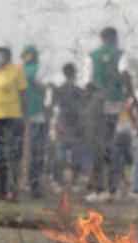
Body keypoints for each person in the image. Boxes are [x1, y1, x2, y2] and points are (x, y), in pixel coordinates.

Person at [84, 26, 134, 202]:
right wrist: (131, 95)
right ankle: (111, 189)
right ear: (114, 38)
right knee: (111, 146)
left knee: (99, 146)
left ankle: (99, 189)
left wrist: (89, 105)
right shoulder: (121, 54)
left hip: (97, 103)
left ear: (101, 38)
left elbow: (88, 83)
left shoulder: (92, 55)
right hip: (114, 103)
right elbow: (125, 74)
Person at [0, 40, 27, 202]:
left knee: (12, 154)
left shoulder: (16, 71)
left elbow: (23, 94)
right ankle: (1, 190)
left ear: (8, 53)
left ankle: (13, 190)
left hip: (12, 117)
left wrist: (25, 117)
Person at [51, 63, 90, 191]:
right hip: (67, 128)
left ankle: (66, 182)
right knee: (63, 157)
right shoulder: (63, 90)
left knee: (70, 157)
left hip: (72, 128)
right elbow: (56, 109)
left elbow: (83, 110)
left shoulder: (72, 91)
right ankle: (64, 182)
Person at [21, 45, 48, 198]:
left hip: (35, 115)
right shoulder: (27, 70)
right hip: (28, 116)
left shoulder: (28, 69)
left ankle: (33, 184)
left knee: (33, 153)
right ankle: (32, 184)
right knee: (33, 153)